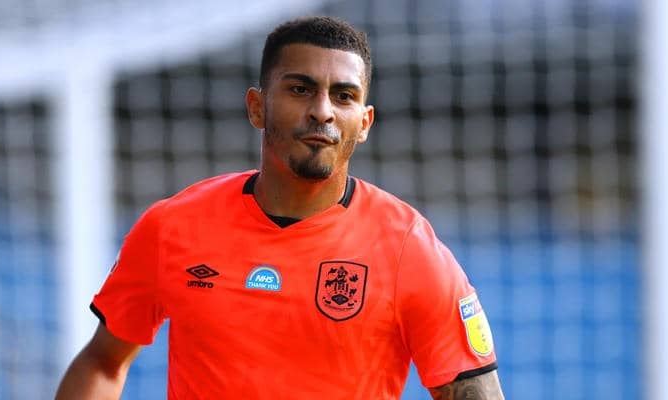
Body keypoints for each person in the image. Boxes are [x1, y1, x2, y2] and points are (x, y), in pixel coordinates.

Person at [55, 16, 504, 400]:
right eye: (301, 89)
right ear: (257, 107)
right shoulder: (173, 225)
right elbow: (102, 363)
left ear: (364, 123)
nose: (323, 111)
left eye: (344, 96)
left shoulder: (408, 248)